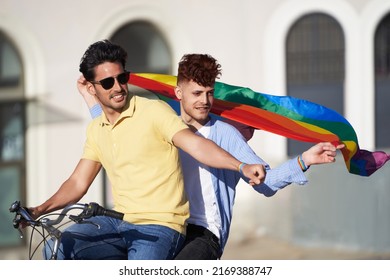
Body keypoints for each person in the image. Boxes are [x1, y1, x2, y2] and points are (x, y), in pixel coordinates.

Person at [81, 53, 344, 260]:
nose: (205, 101)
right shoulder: (163, 122)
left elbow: (266, 181)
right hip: (164, 225)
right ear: (179, 93)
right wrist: (91, 96)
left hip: (204, 232)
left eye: (209, 93)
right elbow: (117, 132)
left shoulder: (226, 134)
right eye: (197, 93)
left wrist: (305, 160)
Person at [27, 40, 266, 260]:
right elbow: (78, 182)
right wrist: (38, 210)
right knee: (59, 246)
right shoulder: (97, 129)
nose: (119, 87)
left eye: (122, 78)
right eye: (108, 83)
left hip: (160, 226)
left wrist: (241, 165)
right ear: (92, 88)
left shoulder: (153, 111)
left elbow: (197, 145)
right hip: (118, 221)